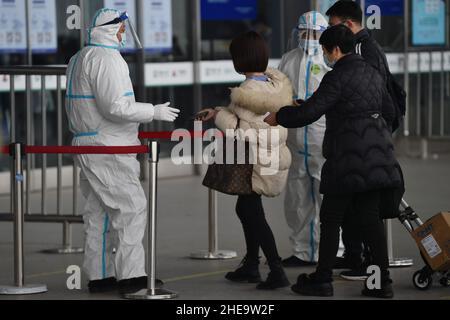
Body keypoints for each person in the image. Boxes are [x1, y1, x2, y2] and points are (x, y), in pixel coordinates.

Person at [265, 25, 402, 298]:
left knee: (330, 217)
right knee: (370, 219)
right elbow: (389, 111)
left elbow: (310, 114)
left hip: (347, 158)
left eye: (325, 50)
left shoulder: (336, 76)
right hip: (377, 155)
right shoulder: (372, 73)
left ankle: (322, 279)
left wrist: (278, 117)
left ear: (335, 50)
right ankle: (380, 281)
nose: (325, 56)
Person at [65, 8, 180, 295]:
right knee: (130, 207)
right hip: (109, 145)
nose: (123, 34)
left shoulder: (80, 57)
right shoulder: (107, 59)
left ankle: (100, 276)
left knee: (98, 212)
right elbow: (115, 107)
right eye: (120, 28)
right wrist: (152, 111)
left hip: (90, 143)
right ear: (108, 29)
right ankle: (132, 278)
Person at [199, 31, 293, 290]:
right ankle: (252, 264)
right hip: (269, 156)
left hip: (255, 161)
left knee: (252, 212)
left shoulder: (246, 90)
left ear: (240, 59)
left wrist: (219, 116)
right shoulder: (274, 85)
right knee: (247, 208)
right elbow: (253, 120)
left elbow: (242, 130)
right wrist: (220, 111)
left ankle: (276, 269)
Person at [326, 0, 402, 280]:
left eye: (332, 26)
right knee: (355, 208)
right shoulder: (366, 46)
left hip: (364, 142)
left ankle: (367, 265)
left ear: (346, 24)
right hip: (366, 140)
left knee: (361, 210)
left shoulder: (363, 49)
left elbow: (376, 94)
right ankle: (356, 257)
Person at [278, 11, 340, 267]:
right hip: (294, 141)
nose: (309, 37)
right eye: (305, 32)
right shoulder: (288, 59)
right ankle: (302, 251)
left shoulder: (332, 61)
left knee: (328, 198)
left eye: (315, 33)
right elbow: (280, 92)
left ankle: (335, 252)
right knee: (297, 198)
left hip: (322, 139)